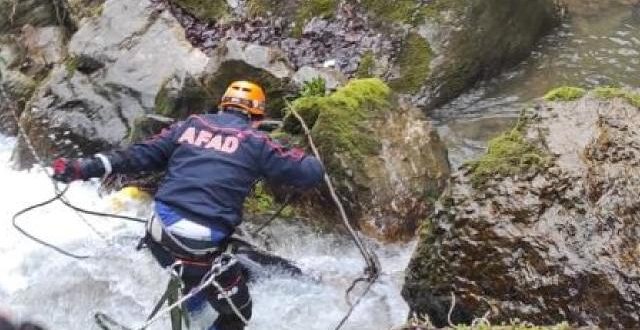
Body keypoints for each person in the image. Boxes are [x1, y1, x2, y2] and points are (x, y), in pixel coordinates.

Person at [51, 81, 325, 330]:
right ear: (257, 118)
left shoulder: (190, 126)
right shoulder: (257, 142)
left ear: (222, 106)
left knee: (201, 268)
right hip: (200, 245)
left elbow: (136, 156)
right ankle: (199, 313)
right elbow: (311, 173)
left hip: (159, 235)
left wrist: (80, 169)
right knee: (238, 313)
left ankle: (191, 308)